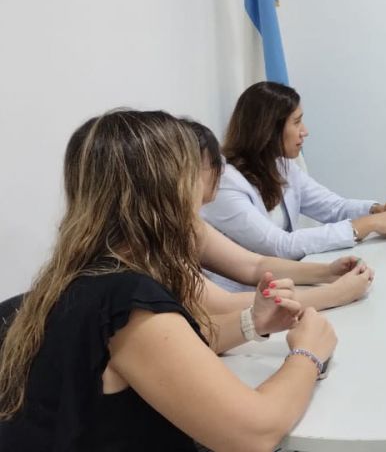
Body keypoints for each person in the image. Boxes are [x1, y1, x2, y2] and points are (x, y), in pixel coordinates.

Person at [0, 110, 337, 451]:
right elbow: (255, 434)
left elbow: (169, 353)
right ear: (168, 189)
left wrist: (252, 322)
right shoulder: (125, 298)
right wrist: (309, 351)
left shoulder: (77, 278)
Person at [202, 82, 386, 292]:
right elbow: (279, 246)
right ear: (269, 129)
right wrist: (368, 225)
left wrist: (377, 210)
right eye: (297, 122)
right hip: (242, 296)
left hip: (283, 283)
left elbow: (333, 207)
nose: (305, 131)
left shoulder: (282, 166)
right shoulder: (225, 184)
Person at [182, 119, 374, 309]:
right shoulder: (160, 244)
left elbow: (255, 266)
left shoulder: (189, 225)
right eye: (215, 162)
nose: (222, 170)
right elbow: (224, 304)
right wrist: (338, 293)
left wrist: (328, 272)